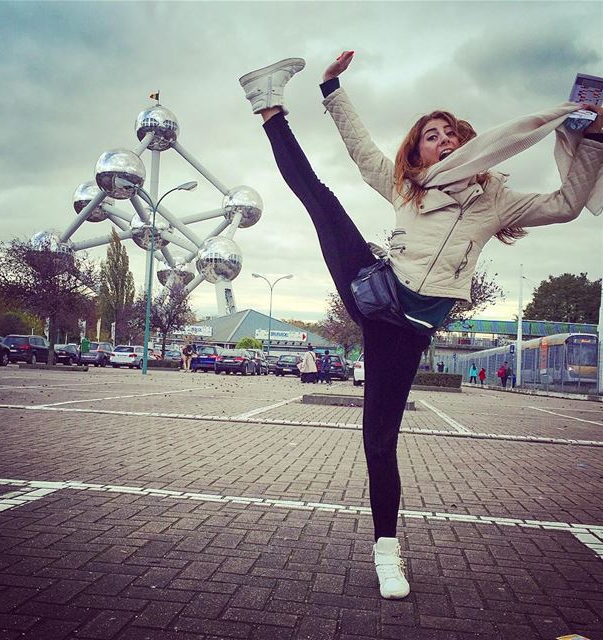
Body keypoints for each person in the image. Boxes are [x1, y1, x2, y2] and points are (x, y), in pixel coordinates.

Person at [238, 53, 603, 600]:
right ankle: (268, 105)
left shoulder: (494, 202)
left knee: (380, 442)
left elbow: (569, 203)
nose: (443, 140)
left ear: (468, 142)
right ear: (418, 148)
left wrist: (594, 138)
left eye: (451, 132)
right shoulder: (407, 185)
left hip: (406, 332)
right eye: (431, 135)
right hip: (374, 290)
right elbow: (362, 152)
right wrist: (332, 88)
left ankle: (387, 550)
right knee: (321, 198)